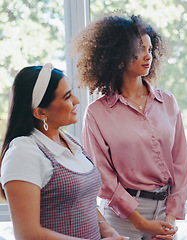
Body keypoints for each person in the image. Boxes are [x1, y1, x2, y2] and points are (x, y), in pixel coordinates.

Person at [72, 14, 187, 240]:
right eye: (140, 50)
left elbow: (181, 164)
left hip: (166, 212)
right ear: (118, 56)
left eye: (150, 49)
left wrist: (170, 219)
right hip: (122, 218)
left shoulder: (168, 103)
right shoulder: (97, 113)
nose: (148, 55)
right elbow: (103, 177)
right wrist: (140, 223)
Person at [0, 64, 125, 239]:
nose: (77, 100)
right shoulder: (23, 152)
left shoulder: (71, 142)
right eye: (67, 96)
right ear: (40, 113)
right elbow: (27, 234)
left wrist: (108, 230)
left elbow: (84, 202)